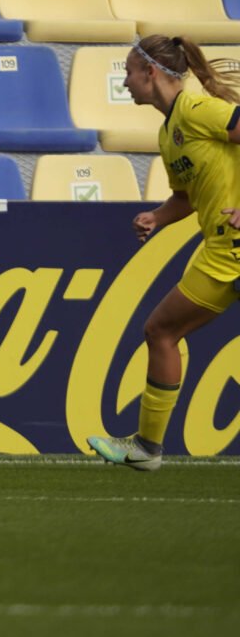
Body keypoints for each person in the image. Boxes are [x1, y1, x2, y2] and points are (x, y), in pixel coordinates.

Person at [87, 35, 240, 471]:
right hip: (221, 252)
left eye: (128, 72)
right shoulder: (169, 132)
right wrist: (158, 216)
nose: (124, 82)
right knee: (161, 331)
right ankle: (147, 449)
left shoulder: (197, 109)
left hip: (234, 251)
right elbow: (188, 197)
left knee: (161, 331)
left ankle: (148, 450)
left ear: (150, 73)